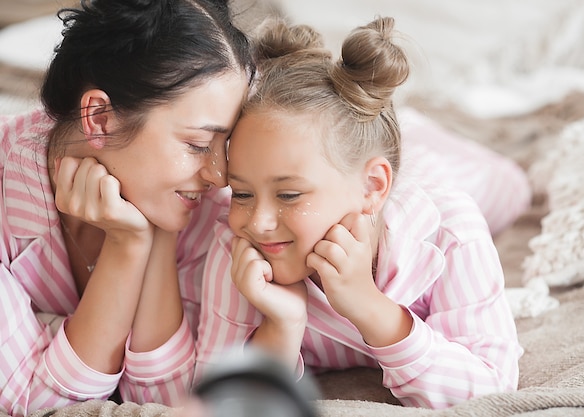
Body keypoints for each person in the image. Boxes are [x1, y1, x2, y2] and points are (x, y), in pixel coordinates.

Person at [195, 17, 524, 409]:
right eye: (243, 192)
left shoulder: (451, 231)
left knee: (514, 187)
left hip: (433, 178)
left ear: (372, 187)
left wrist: (368, 304)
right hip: (359, 170)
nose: (259, 222)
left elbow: (493, 389)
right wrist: (281, 328)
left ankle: (419, 127)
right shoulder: (238, 245)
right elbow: (217, 402)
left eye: (288, 194)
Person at [0, 0, 254, 415]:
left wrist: (153, 239)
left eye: (224, 147)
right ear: (99, 117)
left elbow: (172, 400)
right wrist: (125, 249)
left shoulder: (215, 210)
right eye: (196, 145)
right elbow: (35, 404)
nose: (219, 177)